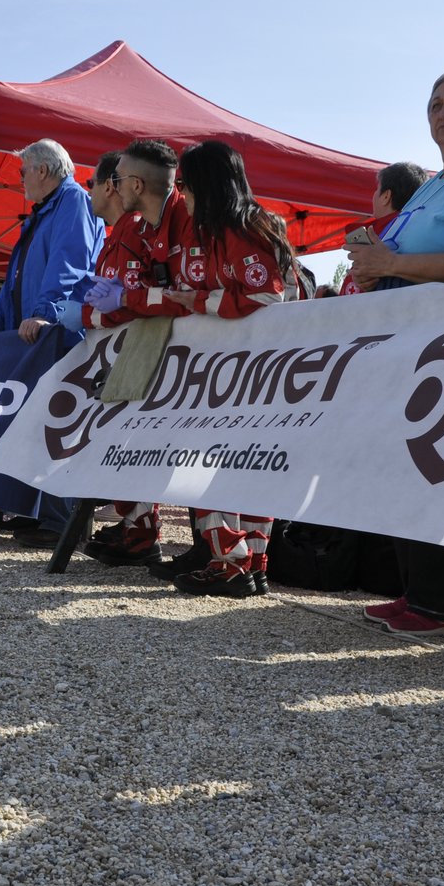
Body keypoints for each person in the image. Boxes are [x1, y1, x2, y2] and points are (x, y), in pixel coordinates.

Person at [345, 71, 444, 636]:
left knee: (436, 461)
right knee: (401, 465)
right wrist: (371, 266)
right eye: (436, 103)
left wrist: (387, 265)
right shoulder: (437, 180)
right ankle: (418, 590)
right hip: (402, 333)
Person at [158, 140, 299, 598]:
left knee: (211, 464)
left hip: (246, 373)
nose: (183, 193)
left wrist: (197, 301)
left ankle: (232, 563)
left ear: (207, 185)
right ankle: (252, 563)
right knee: (247, 468)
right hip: (262, 373)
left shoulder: (240, 229)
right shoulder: (246, 226)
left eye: (185, 184)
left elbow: (268, 298)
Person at [0, 138, 105, 547]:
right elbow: (14, 282)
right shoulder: (43, 212)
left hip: (62, 333)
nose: (20, 180)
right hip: (40, 334)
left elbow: (71, 263)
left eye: (23, 171)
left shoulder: (73, 202)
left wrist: (45, 312)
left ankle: (62, 523)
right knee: (38, 423)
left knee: (61, 422)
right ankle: (40, 511)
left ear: (42, 171)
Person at [80, 141, 197, 570]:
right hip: (146, 348)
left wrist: (102, 311)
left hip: (170, 351)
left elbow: (163, 296)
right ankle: (138, 527)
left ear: (122, 184)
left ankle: (220, 550)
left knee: (177, 442)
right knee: (129, 437)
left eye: (95, 182)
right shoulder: (131, 229)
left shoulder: (155, 223)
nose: (92, 190)